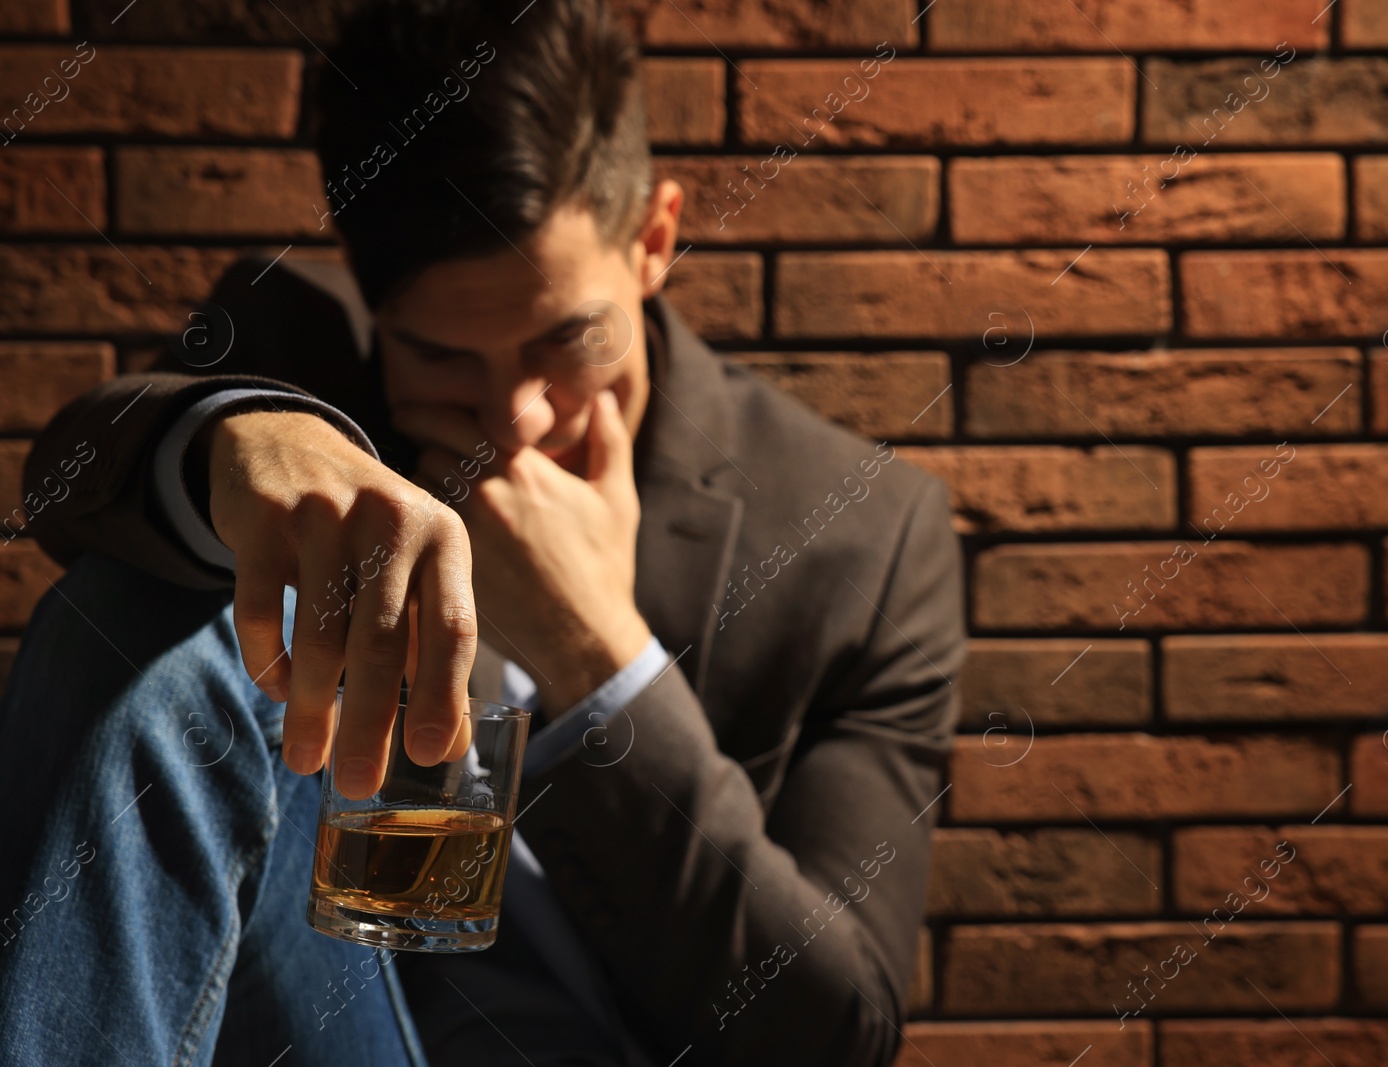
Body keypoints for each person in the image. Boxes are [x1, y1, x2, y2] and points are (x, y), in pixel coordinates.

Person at [0, 1, 964, 1064]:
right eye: (444, 357)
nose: (517, 417)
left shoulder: (862, 537)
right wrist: (231, 436)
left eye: (567, 338)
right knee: (136, 616)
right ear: (374, 302)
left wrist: (600, 659)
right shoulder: (311, 357)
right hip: (331, 1021)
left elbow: (837, 1035)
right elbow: (66, 480)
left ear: (655, 239)